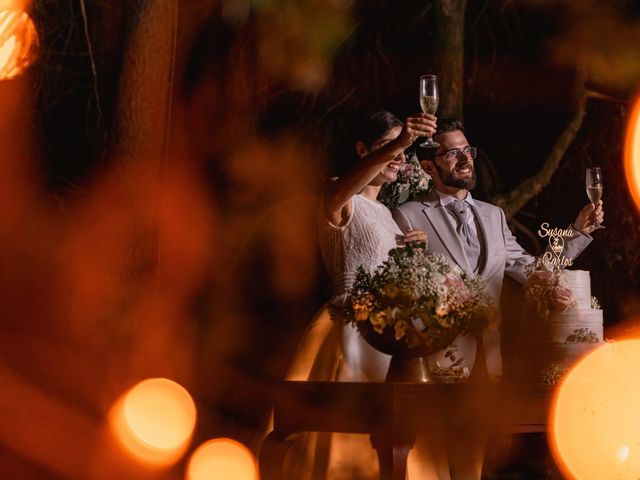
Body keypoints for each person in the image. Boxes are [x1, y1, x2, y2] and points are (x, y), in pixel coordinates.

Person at [391, 117, 604, 478]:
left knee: (473, 467)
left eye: (468, 151)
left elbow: (533, 271)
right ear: (428, 166)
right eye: (452, 153)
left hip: (487, 366)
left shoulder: (493, 216)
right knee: (430, 466)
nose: (465, 159)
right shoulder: (408, 215)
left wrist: (577, 233)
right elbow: (402, 285)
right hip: (433, 364)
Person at [280, 110, 442, 479]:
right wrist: (403, 142)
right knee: (349, 441)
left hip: (389, 336)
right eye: (390, 147)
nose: (400, 157)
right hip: (349, 329)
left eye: (404, 149)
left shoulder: (386, 213)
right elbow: (342, 195)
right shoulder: (339, 192)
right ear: (362, 150)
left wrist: (408, 254)